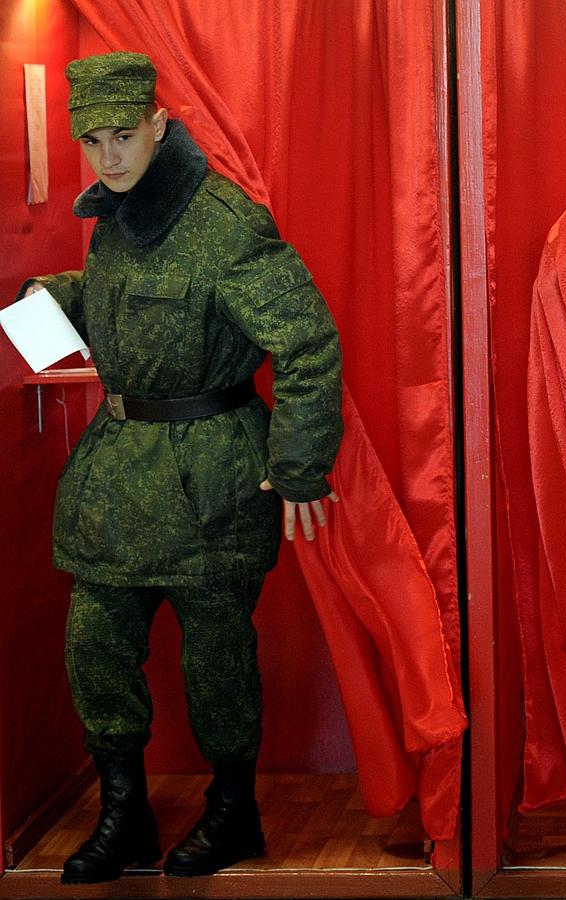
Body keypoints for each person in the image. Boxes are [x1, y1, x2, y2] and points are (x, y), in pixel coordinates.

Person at [13, 52, 343, 883]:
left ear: (160, 126)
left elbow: (306, 341)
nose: (109, 157)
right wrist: (53, 296)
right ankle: (122, 811)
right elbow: (127, 307)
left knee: (216, 655)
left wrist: (300, 466)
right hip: (118, 476)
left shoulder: (225, 221)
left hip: (210, 477)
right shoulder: (115, 217)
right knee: (95, 643)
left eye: (124, 136)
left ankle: (234, 811)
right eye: (92, 141)